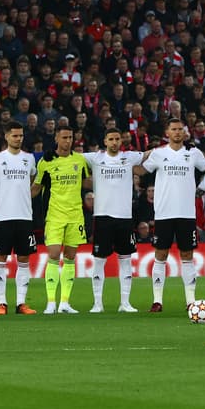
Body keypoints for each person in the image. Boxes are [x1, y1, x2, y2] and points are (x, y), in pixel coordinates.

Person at [138, 119, 205, 312]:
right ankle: (157, 300)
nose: (177, 132)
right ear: (167, 132)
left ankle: (191, 301)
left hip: (186, 213)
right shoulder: (159, 153)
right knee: (161, 254)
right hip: (164, 213)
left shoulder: (193, 153)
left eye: (180, 129)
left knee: (187, 255)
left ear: (185, 132)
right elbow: (142, 170)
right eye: (174, 129)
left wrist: (202, 188)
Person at [31, 122, 90, 314]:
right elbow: (36, 188)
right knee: (54, 254)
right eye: (64, 137)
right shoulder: (46, 162)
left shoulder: (79, 160)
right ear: (56, 138)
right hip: (55, 215)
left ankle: (65, 302)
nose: (68, 141)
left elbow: (86, 182)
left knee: (71, 257)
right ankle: (50, 302)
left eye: (71, 137)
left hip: (75, 216)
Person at [84, 126, 144, 313]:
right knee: (99, 260)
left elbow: (151, 154)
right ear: (105, 141)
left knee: (125, 260)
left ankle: (125, 303)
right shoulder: (95, 158)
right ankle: (97, 303)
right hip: (102, 216)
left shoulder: (130, 157)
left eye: (117, 139)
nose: (115, 142)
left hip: (124, 217)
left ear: (121, 141)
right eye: (111, 139)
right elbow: (70, 156)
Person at [0, 124, 38, 315]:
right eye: (14, 135)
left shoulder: (28, 159)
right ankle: (2, 303)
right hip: (3, 216)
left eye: (21, 136)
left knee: (23, 258)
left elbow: (32, 179)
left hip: (24, 216)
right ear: (6, 137)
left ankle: (21, 303)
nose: (18, 139)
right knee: (0, 258)